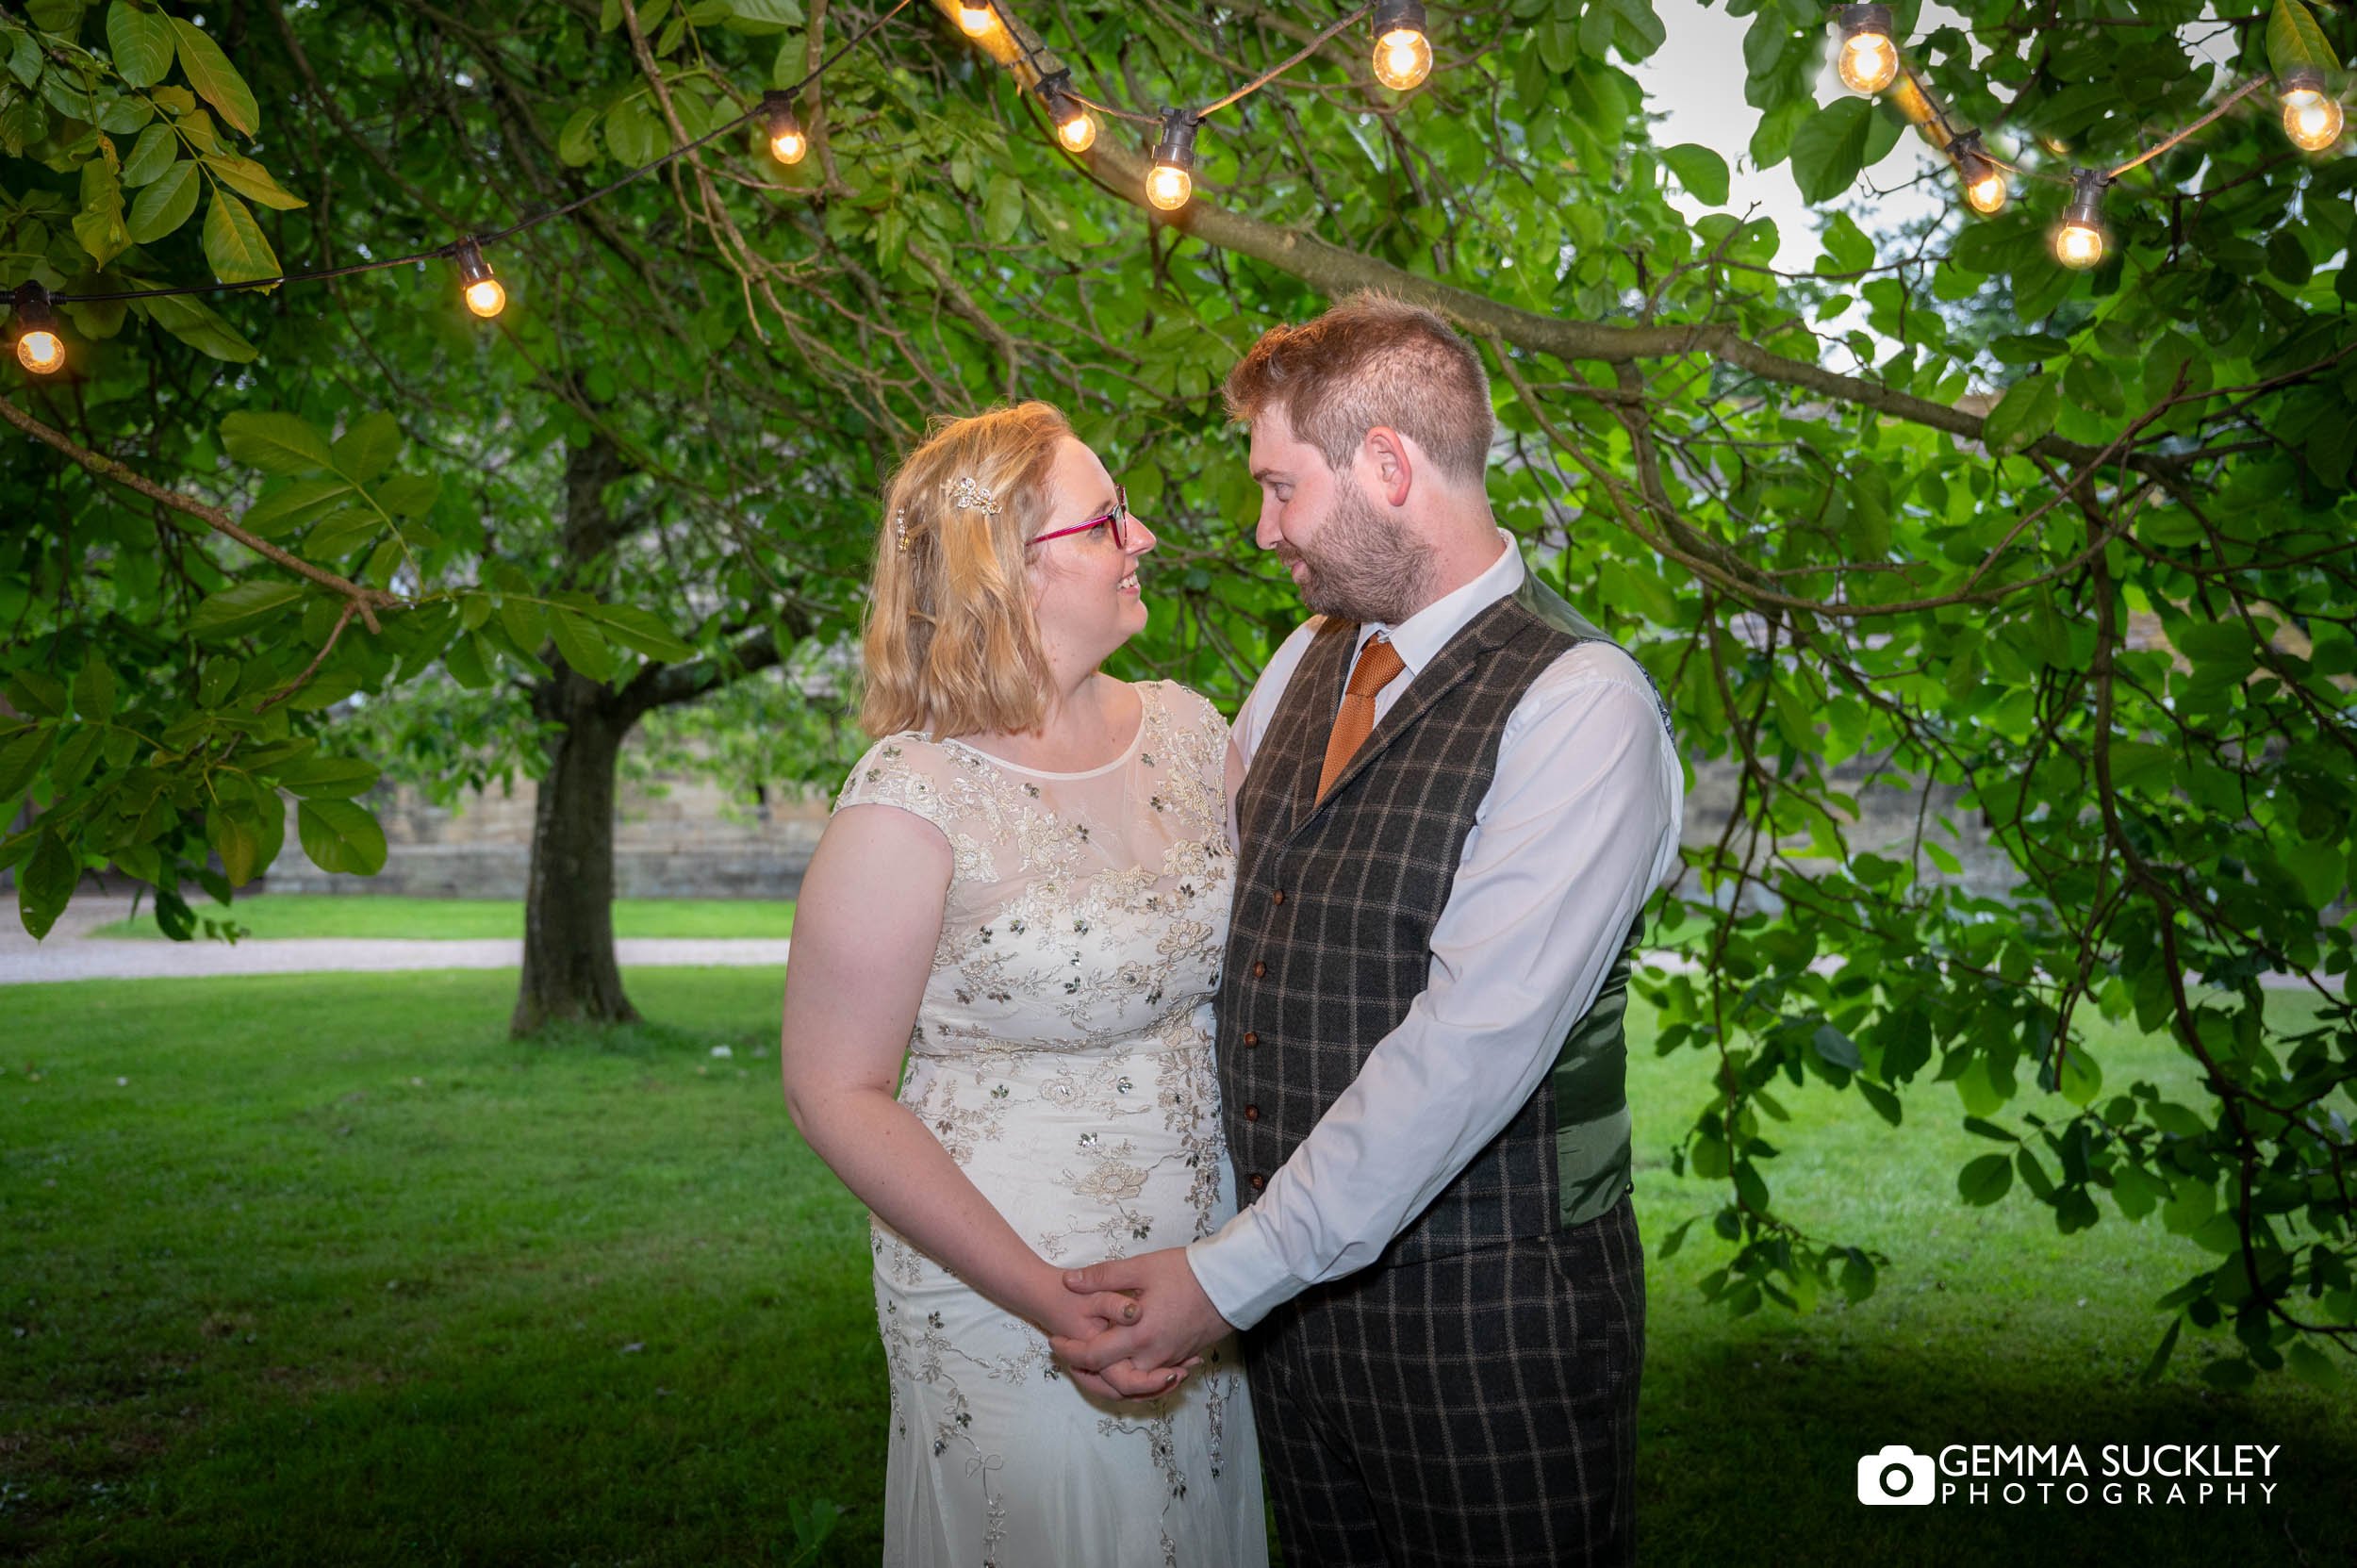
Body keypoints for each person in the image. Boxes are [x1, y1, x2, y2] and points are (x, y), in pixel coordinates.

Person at [1051, 293, 1684, 1566]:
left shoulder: (1580, 704)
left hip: (1491, 1323)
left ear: (1388, 466)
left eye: (1282, 486)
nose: (1263, 526)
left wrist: (1221, 1277)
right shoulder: (1303, 662)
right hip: (1296, 1314)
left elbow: (1462, 1055)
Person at [780, 401, 1268, 1568]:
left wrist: (1238, 1267)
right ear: (1007, 573)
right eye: (1104, 521)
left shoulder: (1199, 737)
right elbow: (835, 1089)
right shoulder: (912, 798)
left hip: (1201, 1284)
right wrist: (1051, 1299)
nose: (1141, 534)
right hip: (1009, 1300)